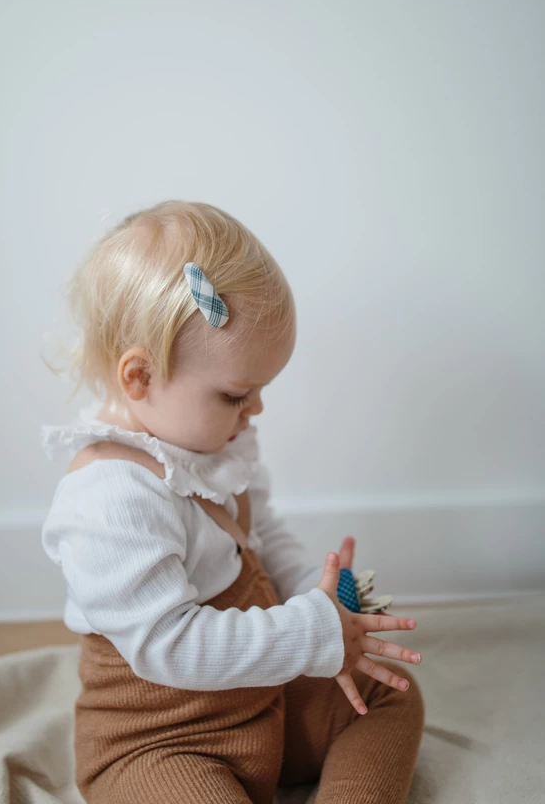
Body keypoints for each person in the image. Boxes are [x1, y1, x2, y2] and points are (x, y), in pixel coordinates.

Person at [40, 200, 424, 804]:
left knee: (388, 689)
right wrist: (305, 633)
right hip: (162, 739)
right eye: (237, 394)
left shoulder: (221, 442)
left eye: (260, 391)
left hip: (261, 696)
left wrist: (317, 595)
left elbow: (261, 537)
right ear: (139, 377)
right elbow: (168, 643)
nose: (256, 411)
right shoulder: (107, 499)